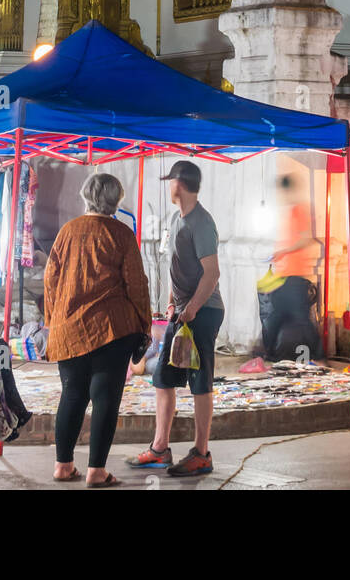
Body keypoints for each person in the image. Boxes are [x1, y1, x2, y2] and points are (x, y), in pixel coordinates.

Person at [43, 173, 151, 488]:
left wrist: (55, 319)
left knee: (72, 394)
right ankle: (96, 472)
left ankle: (63, 466)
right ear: (116, 200)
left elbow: (51, 279)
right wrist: (144, 323)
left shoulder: (67, 231)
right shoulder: (122, 234)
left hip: (69, 327)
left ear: (86, 196)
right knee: (105, 399)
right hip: (112, 329)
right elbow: (136, 284)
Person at [130, 160, 224, 478]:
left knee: (200, 383)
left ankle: (201, 453)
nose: (169, 186)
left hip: (204, 312)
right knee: (163, 379)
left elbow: (211, 274)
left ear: (179, 184)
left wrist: (193, 307)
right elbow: (175, 268)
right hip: (182, 313)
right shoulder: (176, 218)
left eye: (170, 181)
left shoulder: (202, 223)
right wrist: (172, 304)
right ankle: (160, 448)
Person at [262, 173, 322, 363]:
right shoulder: (288, 212)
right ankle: (267, 352)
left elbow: (305, 239)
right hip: (283, 273)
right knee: (278, 315)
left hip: (294, 274)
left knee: (298, 318)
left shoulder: (299, 210)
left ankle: (318, 356)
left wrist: (284, 251)